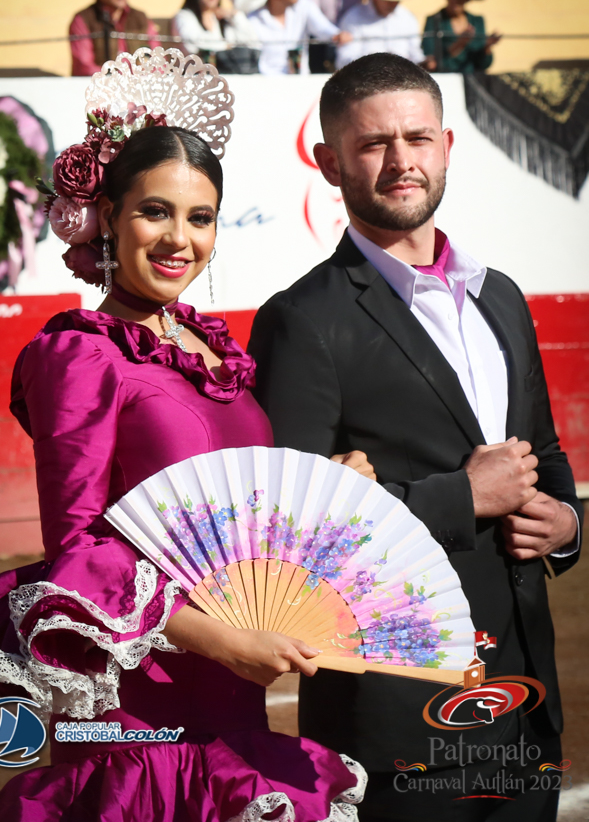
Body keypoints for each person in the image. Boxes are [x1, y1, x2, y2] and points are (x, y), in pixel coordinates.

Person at [0, 53, 368, 820]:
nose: (180, 239)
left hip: (233, 693)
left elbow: (240, 515)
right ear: (107, 215)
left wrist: (334, 486)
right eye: (155, 212)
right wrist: (214, 640)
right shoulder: (79, 353)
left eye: (199, 217)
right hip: (141, 712)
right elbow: (75, 548)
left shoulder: (216, 354)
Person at [249, 53, 582, 822]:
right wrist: (461, 497)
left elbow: (547, 456)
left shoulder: (500, 296)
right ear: (330, 163)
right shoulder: (302, 320)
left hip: (524, 694)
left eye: (417, 138)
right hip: (394, 708)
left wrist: (564, 526)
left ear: (445, 146)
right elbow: (290, 541)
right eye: (373, 145)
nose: (401, 160)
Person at [249, 0, 351, 75]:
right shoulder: (253, 21)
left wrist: (336, 35)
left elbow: (322, 28)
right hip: (267, 83)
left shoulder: (303, 5)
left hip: (300, 82)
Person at [69, 0, 159, 76]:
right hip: (101, 87)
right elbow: (84, 66)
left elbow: (158, 59)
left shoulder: (140, 18)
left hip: (139, 86)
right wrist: (116, 78)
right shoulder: (83, 20)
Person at [336, 0, 424, 69]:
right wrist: (374, 63)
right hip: (366, 80)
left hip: (403, 79)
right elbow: (344, 60)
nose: (393, 4)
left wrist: (423, 63)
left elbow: (415, 53)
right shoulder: (353, 18)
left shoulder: (407, 18)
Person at [172, 0, 258, 62]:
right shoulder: (183, 16)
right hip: (193, 75)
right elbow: (192, 45)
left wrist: (235, 15)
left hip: (225, 74)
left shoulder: (222, 19)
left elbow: (252, 41)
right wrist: (226, 47)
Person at [422, 0, 501, 73]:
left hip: (472, 80)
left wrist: (487, 46)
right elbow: (431, 60)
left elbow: (483, 64)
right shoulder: (434, 20)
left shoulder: (477, 21)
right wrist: (459, 43)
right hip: (445, 78)